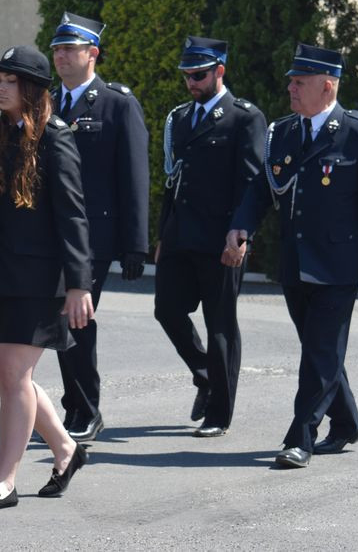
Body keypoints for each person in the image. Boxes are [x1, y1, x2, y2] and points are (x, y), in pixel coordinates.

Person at [226, 43, 358, 468]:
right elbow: (261, 188)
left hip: (339, 265)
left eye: (300, 82)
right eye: (292, 81)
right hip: (296, 261)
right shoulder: (284, 132)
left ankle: (301, 437)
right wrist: (241, 227)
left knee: (319, 352)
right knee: (321, 350)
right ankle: (347, 421)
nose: (291, 88)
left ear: (327, 87)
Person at [0, 45, 92, 509]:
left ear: (31, 88)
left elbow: (73, 215)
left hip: (40, 278)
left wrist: (79, 284)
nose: (1, 87)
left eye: (10, 81)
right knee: (1, 379)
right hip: (0, 274)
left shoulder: (56, 138)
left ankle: (4, 480)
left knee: (14, 376)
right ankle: (67, 449)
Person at [153, 36, 266, 439]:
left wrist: (241, 235)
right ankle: (205, 376)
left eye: (198, 75)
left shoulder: (244, 118)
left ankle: (219, 412)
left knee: (220, 327)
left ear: (220, 70)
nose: (191, 83)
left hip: (222, 238)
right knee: (166, 310)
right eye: (186, 75)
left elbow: (251, 183)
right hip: (181, 234)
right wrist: (163, 233)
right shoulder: (181, 118)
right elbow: (173, 180)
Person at [49, 12, 149, 441]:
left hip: (94, 235)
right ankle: (75, 403)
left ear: (93, 53)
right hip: (51, 232)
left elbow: (134, 176)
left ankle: (86, 408)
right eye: (56, 49)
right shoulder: (48, 101)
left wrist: (135, 244)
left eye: (69, 49)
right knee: (59, 318)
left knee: (76, 317)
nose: (61, 56)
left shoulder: (117, 103)